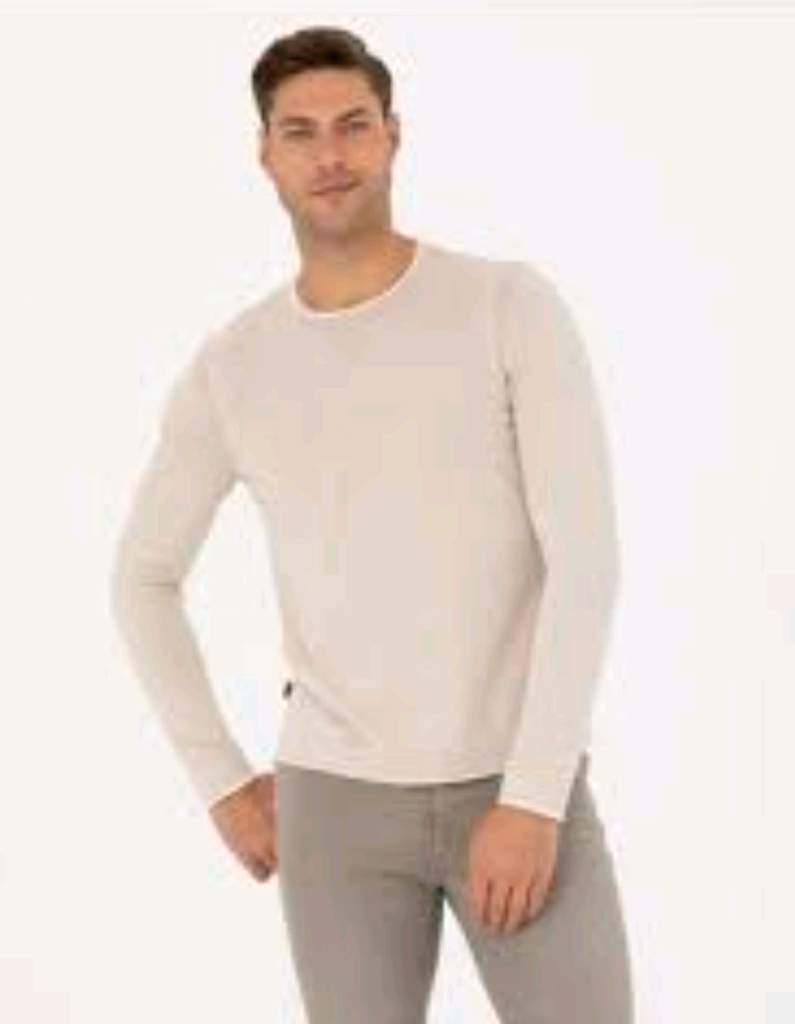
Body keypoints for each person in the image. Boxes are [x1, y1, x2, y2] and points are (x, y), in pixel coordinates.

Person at [110, 24, 634, 1023]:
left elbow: (586, 559)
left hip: (512, 782)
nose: (331, 154)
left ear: (393, 135)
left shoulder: (505, 307)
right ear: (265, 155)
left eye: (353, 124)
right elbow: (142, 576)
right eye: (299, 132)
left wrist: (533, 795)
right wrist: (222, 780)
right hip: (334, 805)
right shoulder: (235, 367)